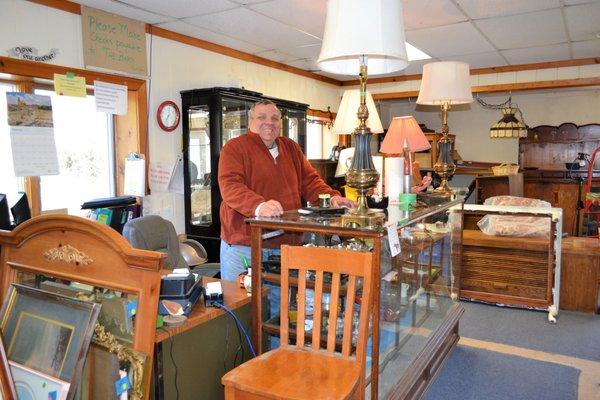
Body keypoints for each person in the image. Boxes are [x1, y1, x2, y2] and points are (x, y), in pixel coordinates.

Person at [218, 99, 355, 281]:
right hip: (244, 246)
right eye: (262, 117)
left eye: (275, 118)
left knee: (279, 306)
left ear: (280, 123)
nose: (269, 122)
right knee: (241, 305)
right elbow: (230, 187)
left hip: (286, 247)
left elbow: (311, 181)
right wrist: (258, 206)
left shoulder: (291, 148)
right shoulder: (234, 148)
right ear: (250, 122)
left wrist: (331, 199)